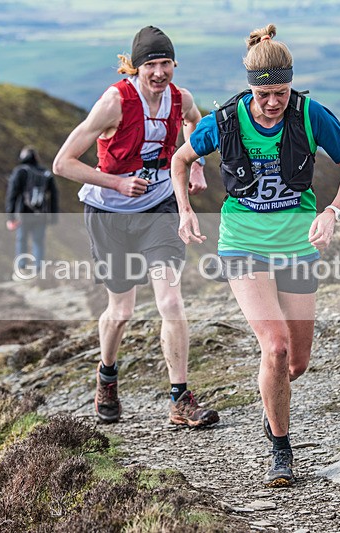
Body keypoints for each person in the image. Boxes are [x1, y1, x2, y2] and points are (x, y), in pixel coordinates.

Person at [171, 24, 340, 487]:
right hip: (243, 244)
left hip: (298, 246)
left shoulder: (311, 115)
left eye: (281, 92)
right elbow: (180, 160)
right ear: (250, 88)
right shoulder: (225, 120)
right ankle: (281, 449)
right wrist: (185, 210)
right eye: (264, 94)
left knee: (295, 363)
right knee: (274, 347)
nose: (273, 102)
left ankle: (271, 401)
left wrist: (332, 212)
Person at [53, 26, 218, 427]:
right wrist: (116, 183)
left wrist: (196, 164)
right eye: (151, 65)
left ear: (174, 64)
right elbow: (62, 163)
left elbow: (195, 123)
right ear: (136, 67)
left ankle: (180, 399)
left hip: (158, 207)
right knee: (122, 309)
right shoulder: (114, 103)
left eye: (166, 63)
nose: (159, 73)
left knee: (171, 301)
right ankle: (107, 375)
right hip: (108, 214)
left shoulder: (180, 99)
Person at [5, 146, 59, 277]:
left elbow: (12, 194)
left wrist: (10, 216)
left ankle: (21, 268)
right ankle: (38, 270)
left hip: (23, 214)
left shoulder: (20, 171)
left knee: (22, 240)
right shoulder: (46, 173)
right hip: (41, 215)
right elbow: (54, 196)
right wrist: (53, 216)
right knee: (38, 242)